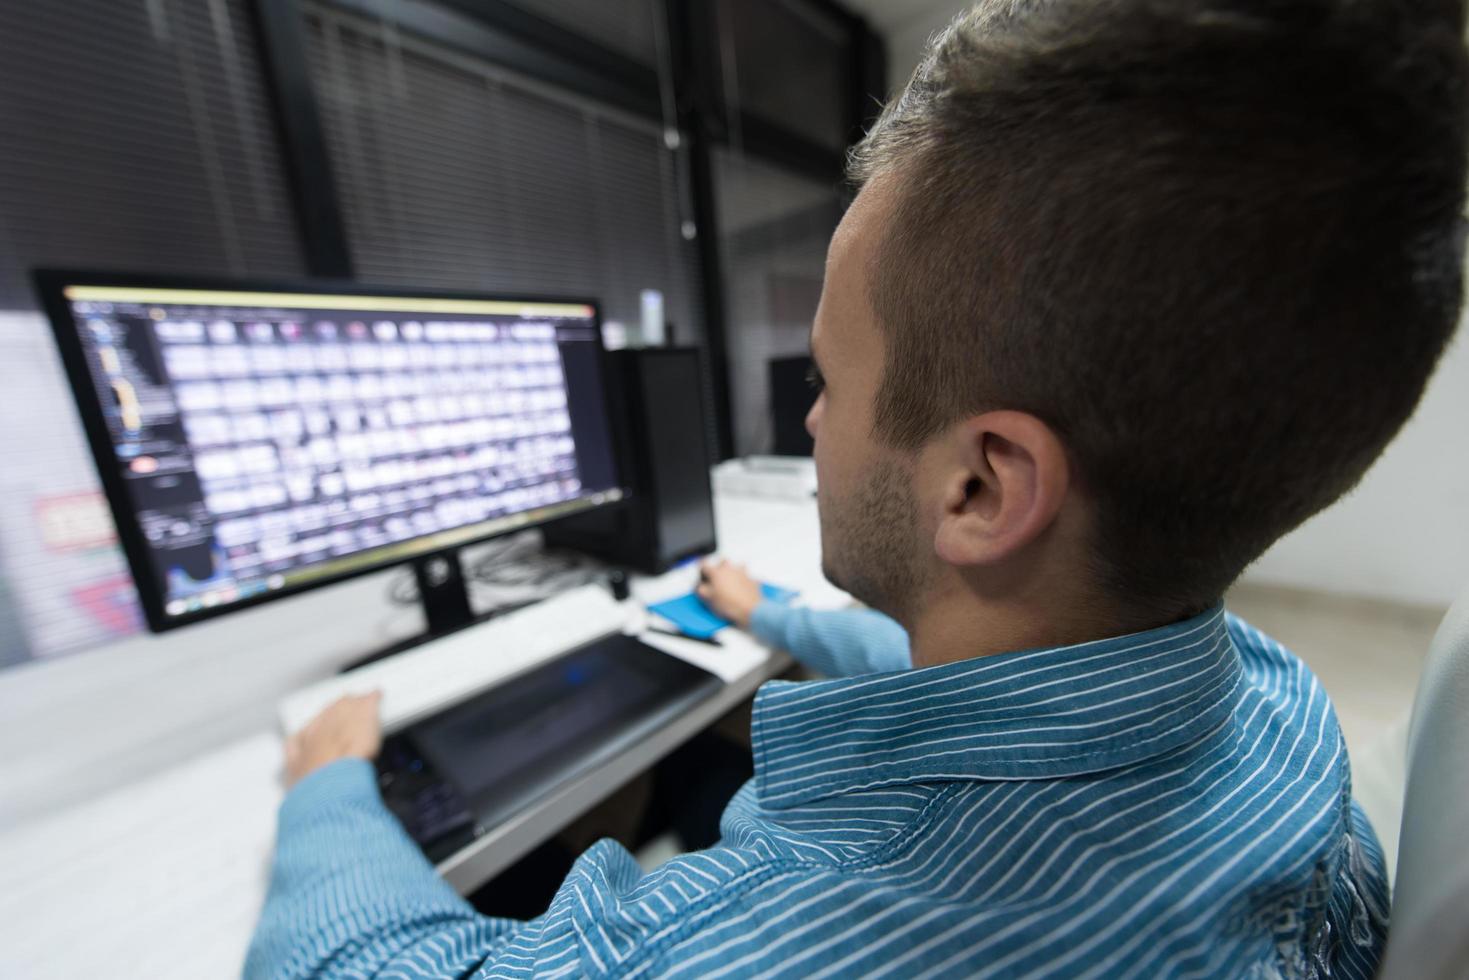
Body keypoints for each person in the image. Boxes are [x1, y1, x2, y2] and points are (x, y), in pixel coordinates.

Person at [246, 0, 1468, 976]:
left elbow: (363, 960)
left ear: (981, 487)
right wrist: (769, 615)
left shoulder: (779, 945)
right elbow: (1010, 692)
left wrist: (332, 785)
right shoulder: (1271, 699)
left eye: (829, 376)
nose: (811, 420)